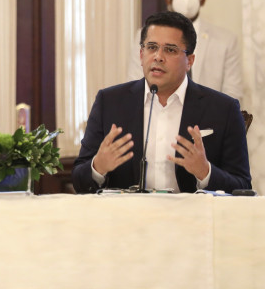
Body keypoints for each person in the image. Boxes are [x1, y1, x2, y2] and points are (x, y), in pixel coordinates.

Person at [74, 12, 251, 193]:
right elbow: (78, 180)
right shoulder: (109, 102)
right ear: (141, 54)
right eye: (152, 47)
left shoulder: (224, 109)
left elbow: (243, 187)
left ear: (189, 61)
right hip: (127, 210)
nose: (158, 57)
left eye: (170, 50)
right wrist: (98, 167)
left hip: (192, 211)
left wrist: (205, 172)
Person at [128, 0, 244, 103]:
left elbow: (233, 93)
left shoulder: (226, 40)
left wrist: (208, 113)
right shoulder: (145, 35)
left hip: (209, 114)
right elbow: (135, 85)